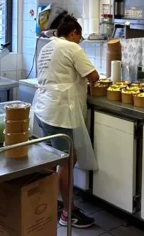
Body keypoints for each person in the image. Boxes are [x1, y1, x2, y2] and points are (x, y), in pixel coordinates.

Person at [33, 14, 99, 229]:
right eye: (78, 37)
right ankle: (68, 213)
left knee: (55, 160)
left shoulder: (48, 47)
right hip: (59, 111)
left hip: (43, 108)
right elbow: (94, 76)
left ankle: (49, 204)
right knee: (67, 161)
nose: (79, 42)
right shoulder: (72, 48)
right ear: (73, 34)